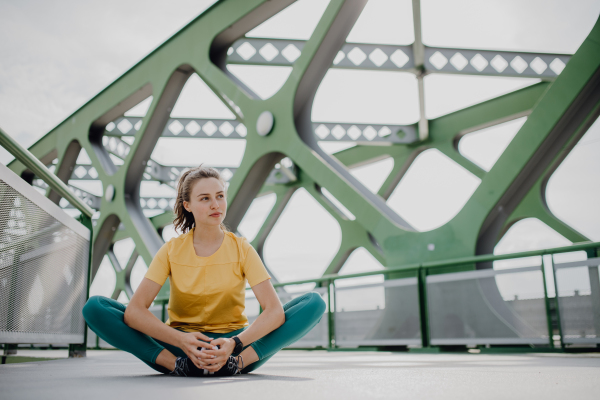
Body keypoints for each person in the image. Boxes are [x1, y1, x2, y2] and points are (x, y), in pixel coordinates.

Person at [82, 165, 326, 376]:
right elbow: (135, 311)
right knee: (95, 307)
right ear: (187, 205)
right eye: (205, 198)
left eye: (220, 196)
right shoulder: (171, 250)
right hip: (181, 346)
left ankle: (236, 365)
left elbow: (274, 311)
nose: (215, 205)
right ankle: (178, 366)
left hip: (233, 346)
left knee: (314, 303)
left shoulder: (242, 248)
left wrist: (234, 344)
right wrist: (181, 341)